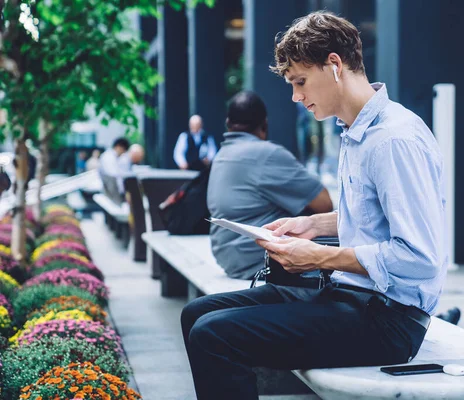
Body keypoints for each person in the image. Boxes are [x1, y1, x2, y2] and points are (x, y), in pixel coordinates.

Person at [181, 12, 449, 399]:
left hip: (388, 320)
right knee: (196, 314)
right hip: (350, 296)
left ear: (334, 65)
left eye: (300, 82)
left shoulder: (393, 140)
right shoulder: (357, 131)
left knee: (213, 335)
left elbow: (419, 257)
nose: (296, 97)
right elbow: (375, 219)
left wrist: (317, 258)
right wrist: (313, 226)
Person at [207, 90, 333, 279]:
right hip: (256, 258)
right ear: (264, 124)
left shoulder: (221, 155)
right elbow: (324, 203)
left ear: (228, 124)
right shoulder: (268, 154)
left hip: (225, 254)